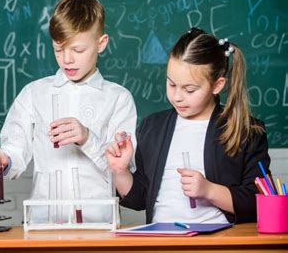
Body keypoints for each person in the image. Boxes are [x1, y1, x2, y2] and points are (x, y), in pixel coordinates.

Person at [0, 0, 137, 223]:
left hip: (100, 225)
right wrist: (3, 161)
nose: (67, 60)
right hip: (43, 224)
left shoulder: (118, 99)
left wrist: (87, 138)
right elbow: (15, 151)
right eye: (58, 49)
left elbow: (125, 168)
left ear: (101, 43)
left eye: (78, 50)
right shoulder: (34, 94)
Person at [106, 28, 270, 224]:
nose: (177, 96)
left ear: (217, 86)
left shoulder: (245, 131)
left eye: (189, 89)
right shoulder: (152, 128)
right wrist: (120, 172)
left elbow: (258, 201)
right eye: (171, 84)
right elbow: (141, 198)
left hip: (219, 241)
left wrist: (209, 190)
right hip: (161, 241)